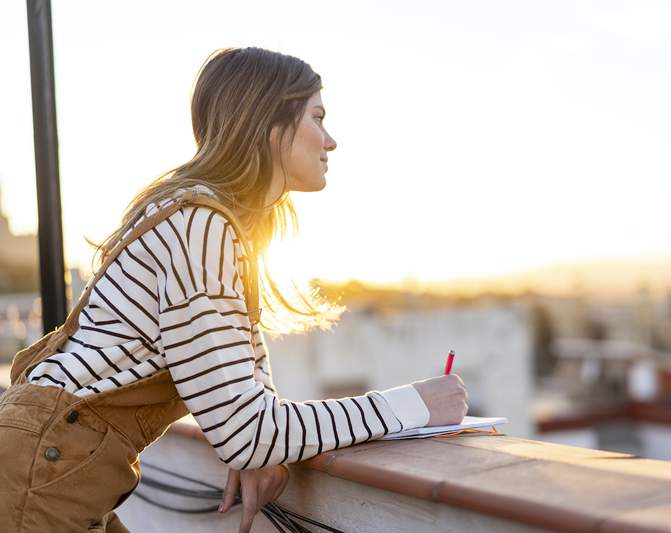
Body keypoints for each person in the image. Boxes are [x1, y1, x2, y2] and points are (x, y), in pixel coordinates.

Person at [0, 47, 468, 533]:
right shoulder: (201, 225)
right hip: (47, 468)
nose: (331, 141)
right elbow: (248, 434)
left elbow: (248, 394)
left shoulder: (210, 224)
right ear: (268, 123)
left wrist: (264, 448)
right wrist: (414, 404)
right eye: (318, 117)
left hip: (54, 464)